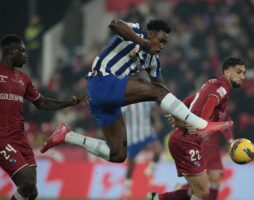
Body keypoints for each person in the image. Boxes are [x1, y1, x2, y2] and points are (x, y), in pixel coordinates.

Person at [40, 19, 232, 163]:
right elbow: (114, 24)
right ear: (150, 34)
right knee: (153, 91)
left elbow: (161, 89)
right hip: (102, 81)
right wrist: (141, 42)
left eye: (165, 44)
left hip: (106, 100)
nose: (162, 47)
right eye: (160, 41)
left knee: (118, 155)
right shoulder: (136, 30)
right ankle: (201, 124)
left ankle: (66, 135)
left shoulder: (153, 61)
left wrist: (179, 118)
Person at [147, 57, 247, 200]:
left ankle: (157, 198)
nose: (242, 77)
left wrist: (177, 111)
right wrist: (203, 125)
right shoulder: (222, 89)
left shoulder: (212, 83)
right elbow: (210, 104)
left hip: (185, 139)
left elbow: (193, 98)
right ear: (226, 72)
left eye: (244, 73)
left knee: (197, 191)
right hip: (186, 141)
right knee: (203, 193)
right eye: (238, 72)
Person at [0, 34, 86, 200]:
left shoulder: (23, 79)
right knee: (26, 182)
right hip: (3, 138)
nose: (26, 55)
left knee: (31, 191)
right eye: (22, 51)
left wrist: (68, 103)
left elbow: (42, 103)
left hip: (21, 139)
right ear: (11, 51)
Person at [122, 101, 163, 197]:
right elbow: (120, 116)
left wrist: (157, 121)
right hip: (132, 135)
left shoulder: (146, 98)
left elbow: (152, 110)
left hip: (146, 132)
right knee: (131, 164)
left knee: (158, 150)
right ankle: (127, 186)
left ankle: (150, 170)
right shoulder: (126, 99)